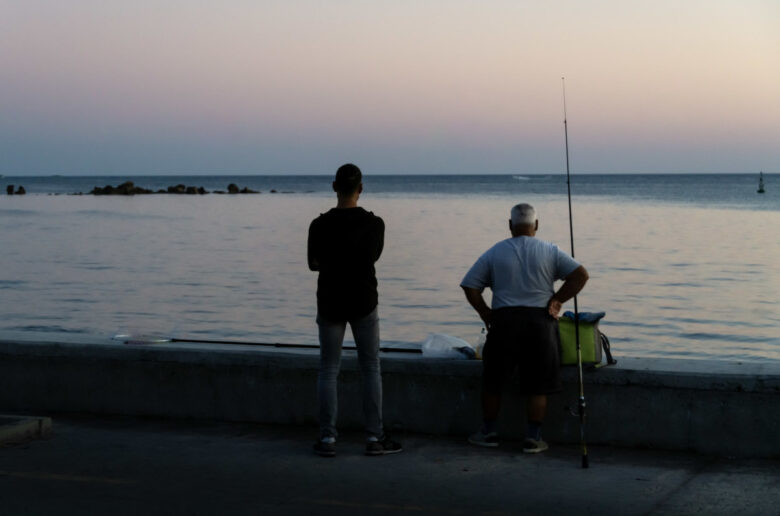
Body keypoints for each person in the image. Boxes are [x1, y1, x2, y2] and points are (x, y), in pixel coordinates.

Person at [460, 203, 588, 453]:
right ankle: (532, 436)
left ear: (510, 225)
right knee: (538, 383)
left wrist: (485, 312)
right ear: (536, 225)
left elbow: (470, 285)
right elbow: (581, 275)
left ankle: (489, 432)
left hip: (504, 321)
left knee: (493, 380)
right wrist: (557, 300)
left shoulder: (495, 252)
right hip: (541, 322)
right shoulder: (550, 250)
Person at [307, 163, 402, 457]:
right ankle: (374, 438)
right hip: (363, 301)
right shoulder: (375, 224)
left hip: (330, 301)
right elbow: (372, 257)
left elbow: (313, 264)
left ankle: (327, 439)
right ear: (361, 189)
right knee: (371, 368)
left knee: (328, 370)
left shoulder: (319, 224)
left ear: (334, 187)